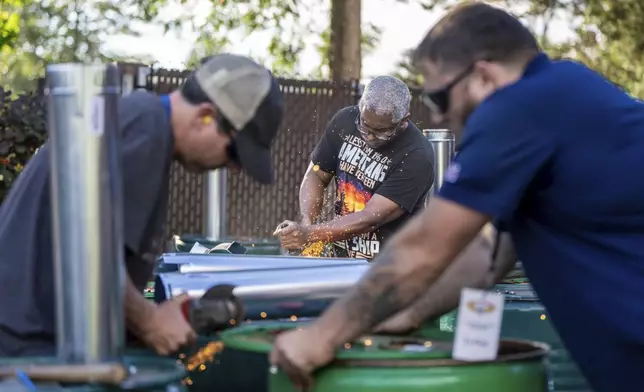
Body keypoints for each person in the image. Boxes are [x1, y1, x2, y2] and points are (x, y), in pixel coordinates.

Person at [268, 3, 644, 392]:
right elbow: (488, 256)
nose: (440, 117)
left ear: (482, 76)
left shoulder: (519, 110)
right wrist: (409, 315)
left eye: (440, 99)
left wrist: (319, 339)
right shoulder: (566, 94)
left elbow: (425, 247)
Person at [0, 54, 284, 356]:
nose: (235, 167)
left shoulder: (142, 123)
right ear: (205, 115)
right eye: (235, 152)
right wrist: (150, 322)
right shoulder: (145, 131)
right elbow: (92, 256)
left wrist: (159, 315)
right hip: (22, 345)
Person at [275, 76, 434, 260]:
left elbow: (370, 218)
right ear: (360, 106)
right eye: (365, 126)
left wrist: (309, 234)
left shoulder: (417, 155)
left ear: (404, 120)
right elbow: (317, 174)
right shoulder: (344, 121)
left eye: (382, 132)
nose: (370, 137)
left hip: (390, 267)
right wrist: (306, 220)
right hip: (342, 260)